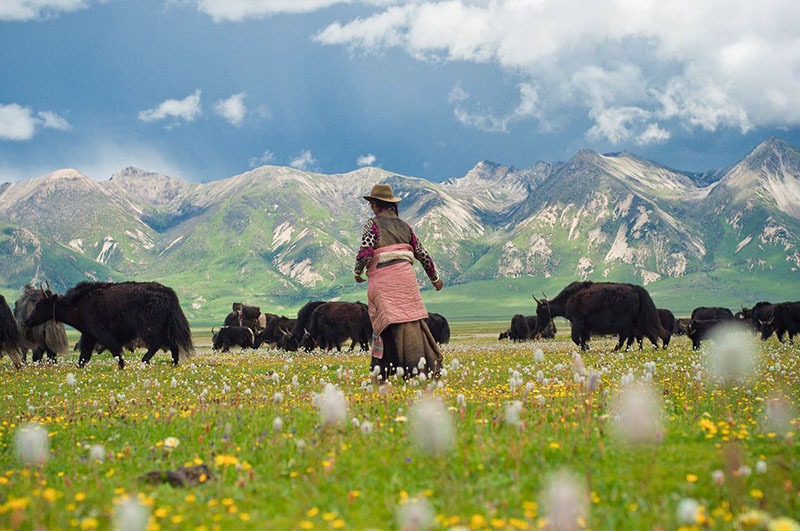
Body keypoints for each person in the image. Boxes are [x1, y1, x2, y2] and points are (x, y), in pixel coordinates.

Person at [354, 184, 444, 378]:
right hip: (406, 280)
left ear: (375, 205)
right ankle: (419, 368)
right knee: (411, 319)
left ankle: (383, 370)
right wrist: (434, 278)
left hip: (384, 281)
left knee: (386, 322)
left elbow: (365, 251)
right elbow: (422, 254)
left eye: (372, 204)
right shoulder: (405, 226)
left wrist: (357, 271)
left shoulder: (373, 224)